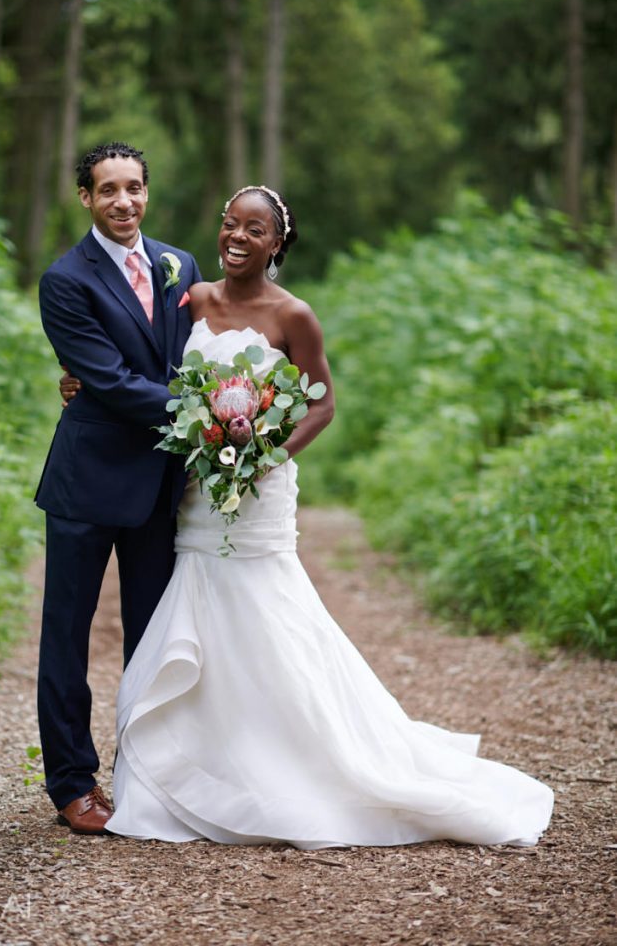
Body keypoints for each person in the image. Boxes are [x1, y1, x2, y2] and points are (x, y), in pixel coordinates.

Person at [62, 185, 554, 849]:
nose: (236, 236)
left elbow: (320, 401)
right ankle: (199, 762)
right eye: (230, 223)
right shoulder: (195, 299)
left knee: (270, 611)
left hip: (259, 486)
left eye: (254, 229)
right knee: (199, 609)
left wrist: (267, 454)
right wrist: (78, 379)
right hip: (198, 489)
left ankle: (301, 758)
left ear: (276, 243)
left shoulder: (294, 315)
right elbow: (147, 363)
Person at [35, 142, 201, 835]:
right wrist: (204, 415)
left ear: (147, 192)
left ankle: (148, 772)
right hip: (89, 478)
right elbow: (105, 377)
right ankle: (72, 782)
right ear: (86, 198)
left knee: (153, 635)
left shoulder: (181, 265)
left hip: (160, 480)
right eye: (108, 190)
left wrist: (225, 395)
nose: (123, 202)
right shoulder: (64, 279)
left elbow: (196, 352)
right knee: (66, 638)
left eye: (134, 188)